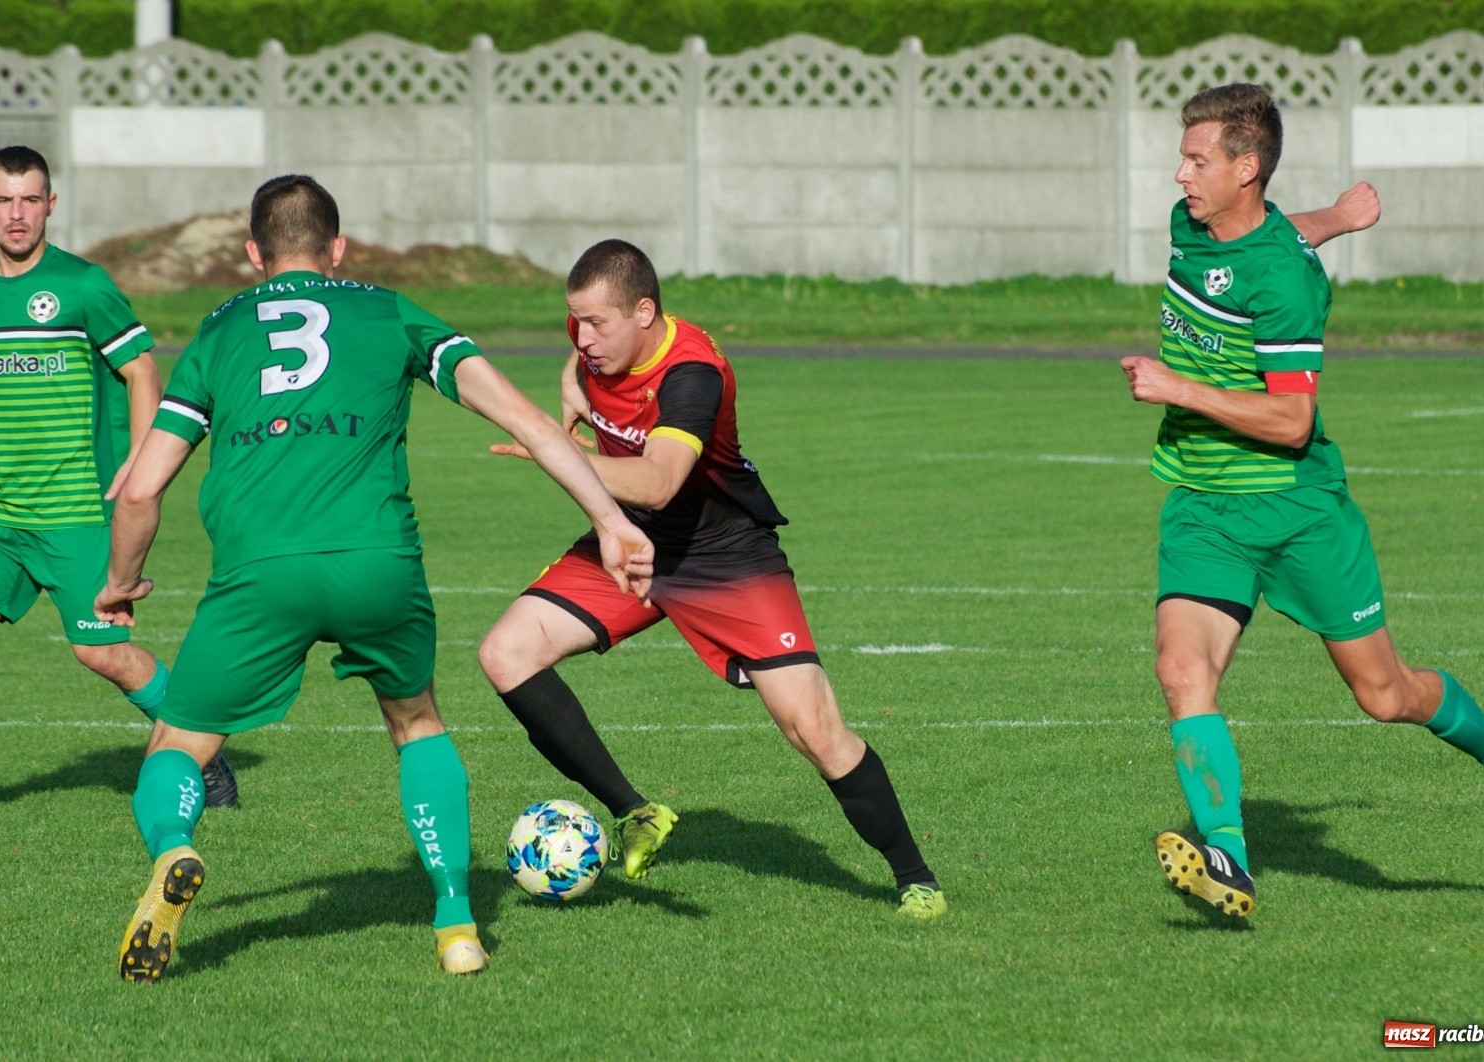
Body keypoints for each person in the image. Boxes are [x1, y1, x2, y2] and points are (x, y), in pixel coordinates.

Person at [94, 176, 653, 982]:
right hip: (376, 564)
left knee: (178, 743)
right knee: (417, 723)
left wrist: (121, 582)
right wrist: (610, 519)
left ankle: (177, 848)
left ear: (253, 253)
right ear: (339, 249)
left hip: (261, 571)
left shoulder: (215, 336)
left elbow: (142, 488)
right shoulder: (391, 311)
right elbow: (528, 422)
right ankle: (457, 926)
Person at [1120, 83, 1484, 919]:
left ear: (1246, 167)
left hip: (1298, 511)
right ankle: (1229, 861)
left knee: (1385, 696)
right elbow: (1275, 232)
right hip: (1205, 507)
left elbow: (1291, 419)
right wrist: (1340, 218)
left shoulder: (1286, 288)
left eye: (1197, 160)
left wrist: (1180, 386)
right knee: (1181, 671)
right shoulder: (1196, 227)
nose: (1180, 175)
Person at [479, 239, 946, 919]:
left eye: (596, 325)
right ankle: (636, 811)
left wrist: (558, 453)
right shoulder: (596, 338)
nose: (582, 337)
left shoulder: (693, 374)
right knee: (505, 653)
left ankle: (915, 877)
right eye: (573, 323)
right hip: (633, 542)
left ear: (644, 313)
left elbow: (660, 482)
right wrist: (571, 380)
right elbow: (589, 368)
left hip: (724, 554)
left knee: (813, 728)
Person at [0, 146, 236, 816]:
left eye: (30, 200)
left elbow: (141, 369)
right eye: (3, 199)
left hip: (75, 512)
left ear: (51, 205)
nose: (16, 214)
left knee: (101, 654)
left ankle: (202, 749)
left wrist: (141, 459)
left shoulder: (83, 287)